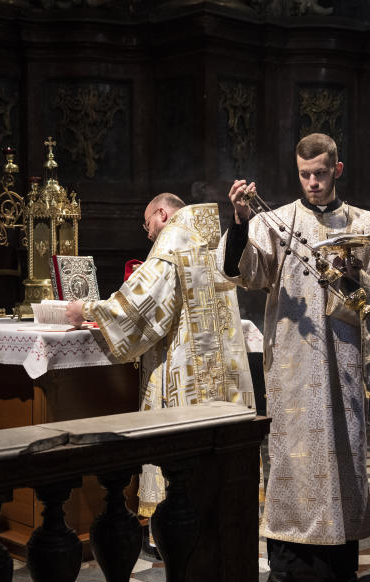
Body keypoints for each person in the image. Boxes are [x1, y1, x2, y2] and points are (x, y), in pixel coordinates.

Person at [217, 133, 370, 582]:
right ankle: (285, 563)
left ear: (337, 170)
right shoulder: (276, 221)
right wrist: (240, 220)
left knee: (344, 457)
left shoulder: (365, 225)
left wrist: (356, 277)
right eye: (305, 175)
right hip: (293, 366)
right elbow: (244, 272)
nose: (313, 182)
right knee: (288, 460)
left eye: (321, 173)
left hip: (342, 362)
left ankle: (339, 566)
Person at [66, 193, 256, 546]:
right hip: (220, 368)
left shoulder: (173, 238)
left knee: (179, 458)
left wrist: (88, 309)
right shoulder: (210, 236)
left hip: (184, 368)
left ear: (162, 214)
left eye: (147, 224)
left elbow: (141, 307)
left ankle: (177, 533)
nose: (149, 235)